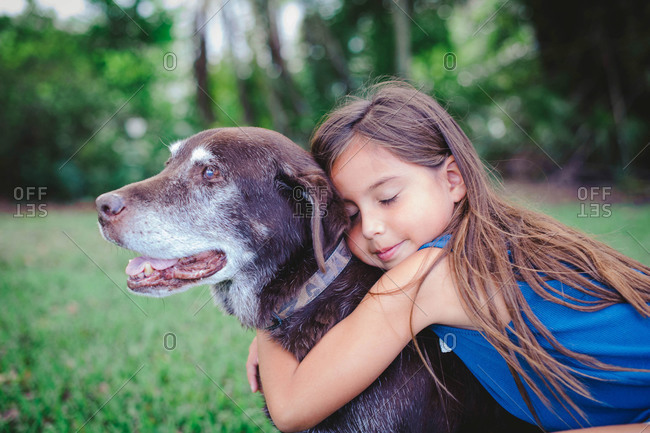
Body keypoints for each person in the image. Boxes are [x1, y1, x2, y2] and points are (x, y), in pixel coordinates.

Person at [246, 81, 650, 432]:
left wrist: (271, 312)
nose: (369, 227)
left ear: (453, 180)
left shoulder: (436, 276)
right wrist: (295, 321)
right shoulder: (485, 242)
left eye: (388, 198)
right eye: (349, 215)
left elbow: (293, 407)